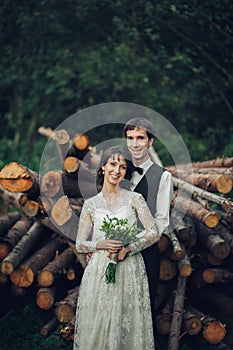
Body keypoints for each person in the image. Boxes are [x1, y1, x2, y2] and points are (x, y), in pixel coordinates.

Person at [73, 146, 160, 350]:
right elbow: (80, 244)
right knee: (99, 319)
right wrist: (100, 245)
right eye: (112, 164)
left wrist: (129, 248)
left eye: (122, 167)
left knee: (125, 321)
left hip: (128, 267)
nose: (117, 170)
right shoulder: (91, 205)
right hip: (99, 269)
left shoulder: (134, 199)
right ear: (103, 166)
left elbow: (153, 232)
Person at [123, 117, 173, 344]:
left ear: (150, 141)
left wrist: (133, 245)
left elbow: (161, 221)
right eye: (130, 138)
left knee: (142, 308)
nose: (134, 144)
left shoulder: (163, 176)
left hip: (146, 253)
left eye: (140, 138)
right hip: (115, 252)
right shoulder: (118, 170)